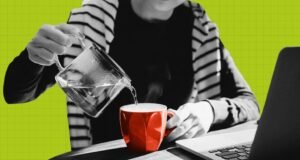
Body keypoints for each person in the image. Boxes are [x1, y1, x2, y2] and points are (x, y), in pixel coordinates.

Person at [4, 0, 260, 150]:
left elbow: (249, 103)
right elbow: (15, 94)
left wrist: (208, 111)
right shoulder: (93, 21)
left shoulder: (200, 29)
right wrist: (33, 58)